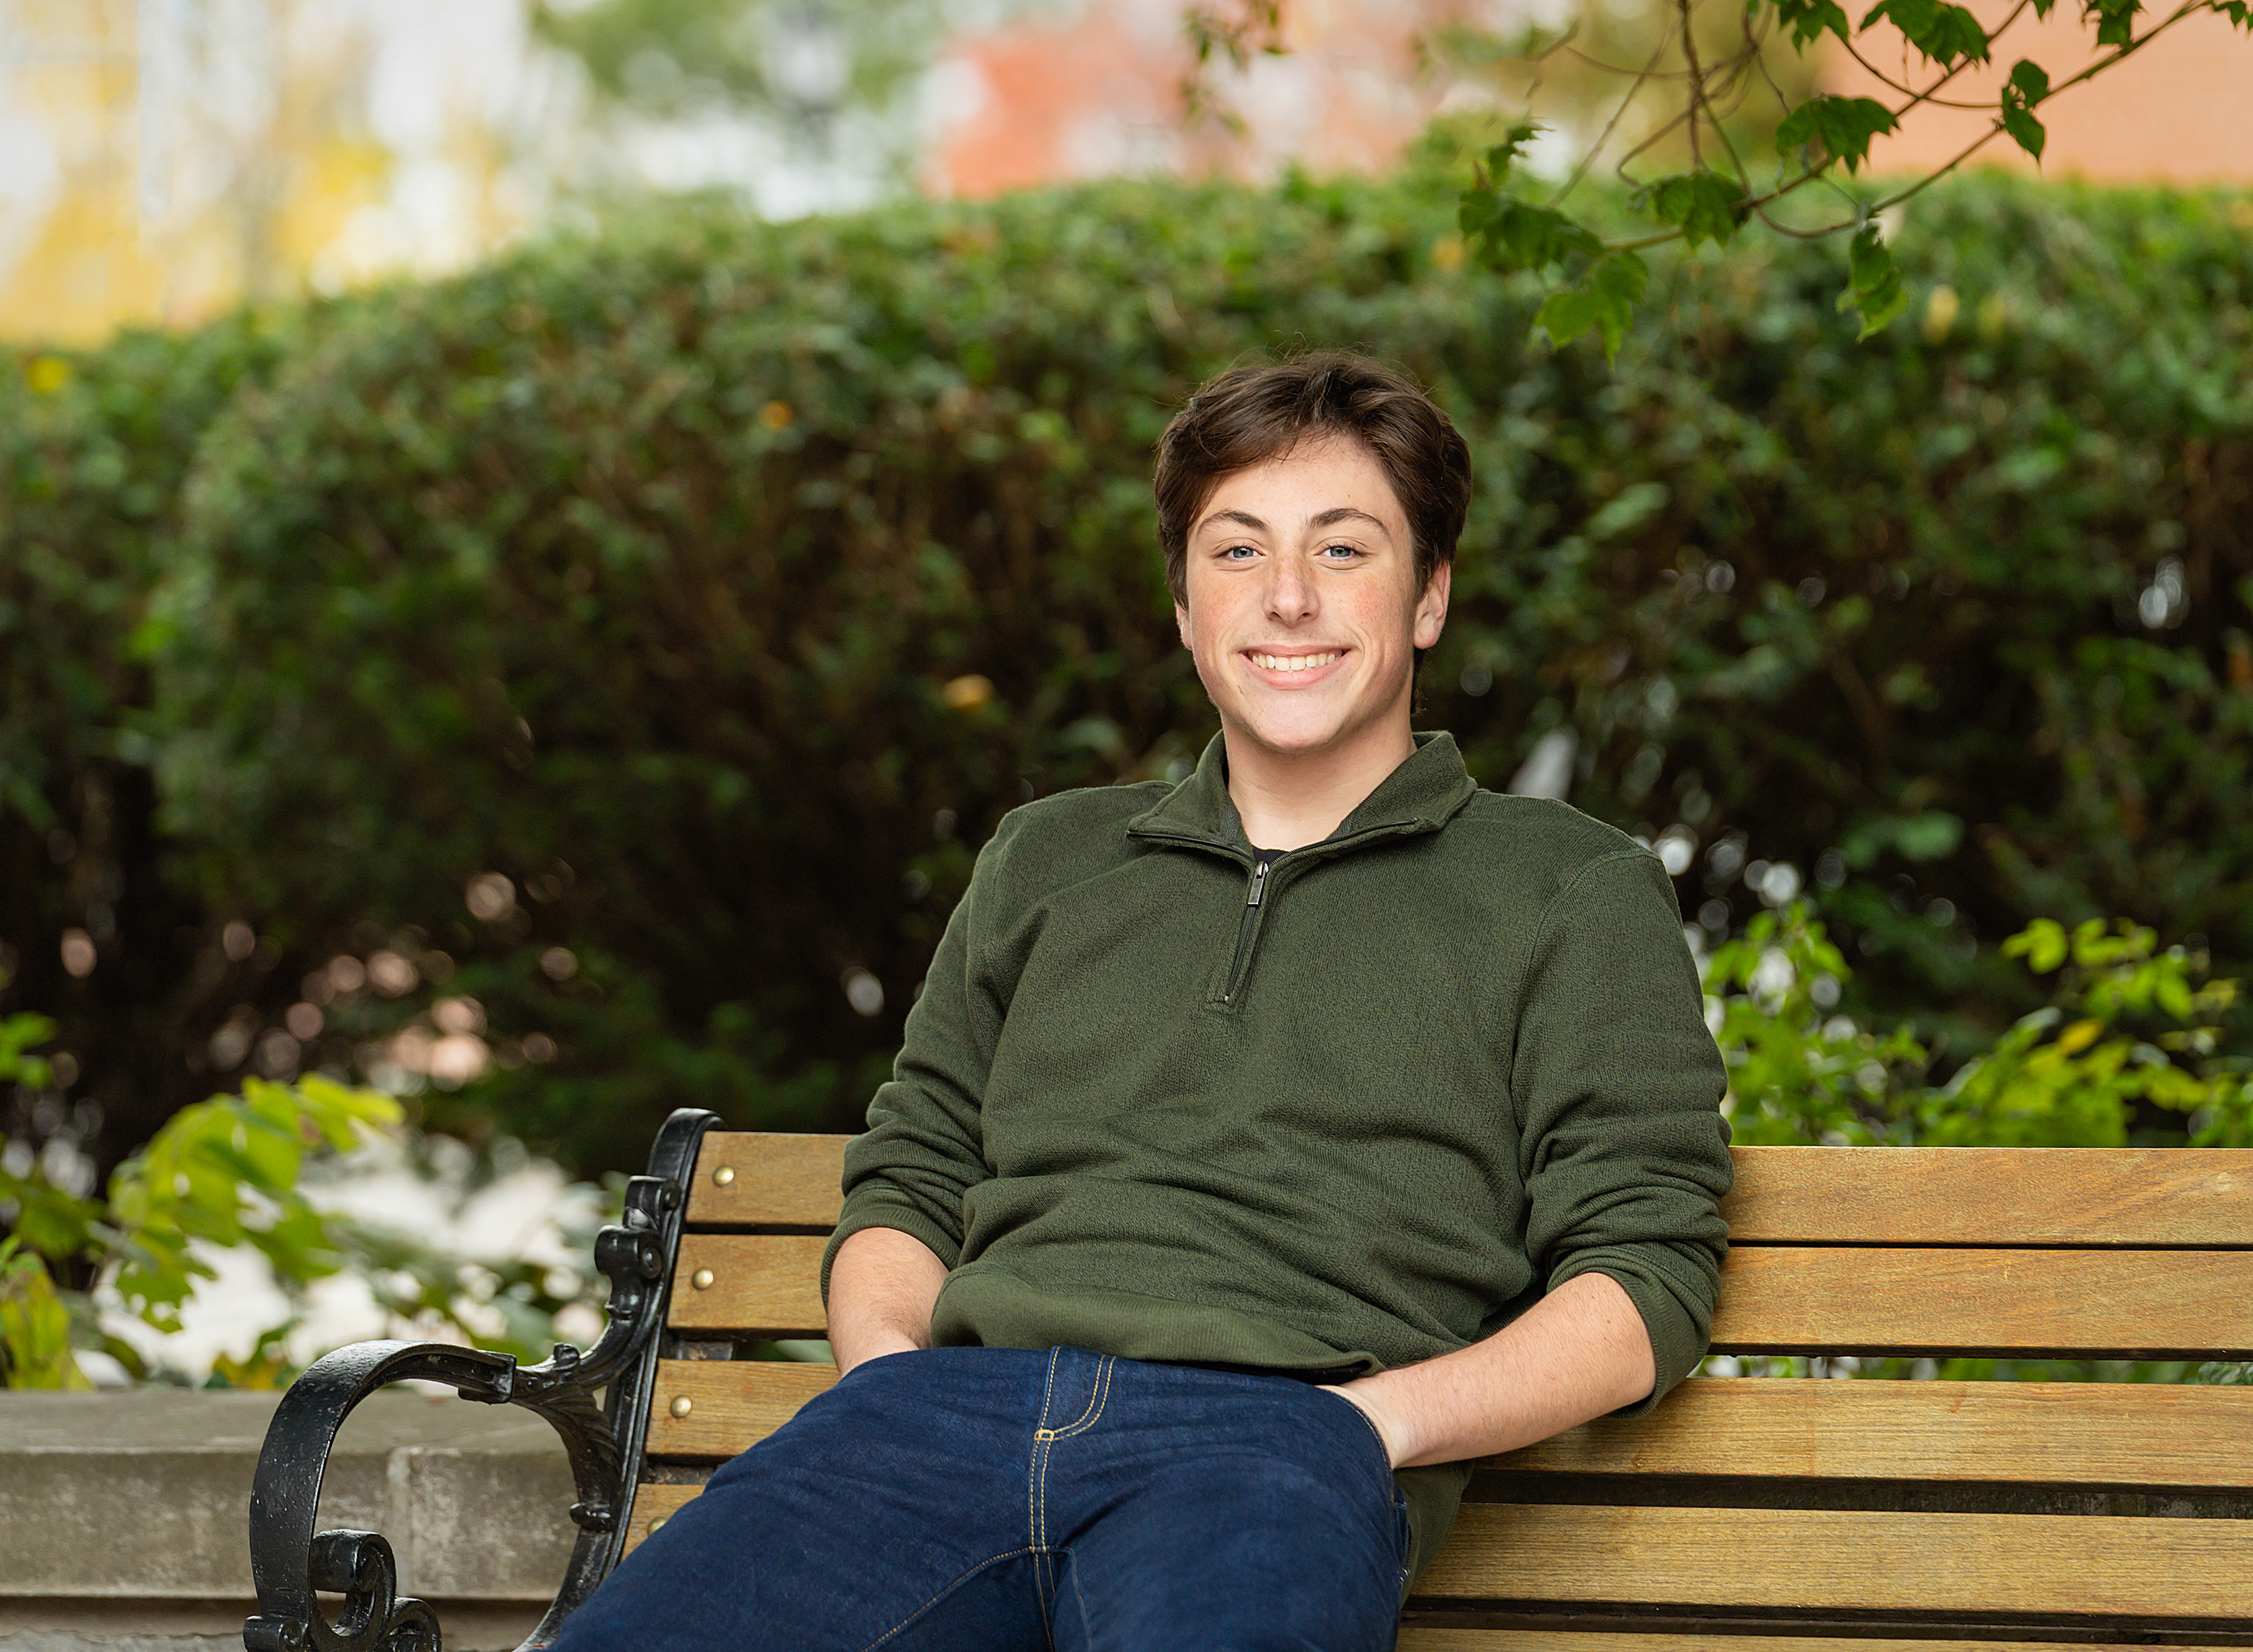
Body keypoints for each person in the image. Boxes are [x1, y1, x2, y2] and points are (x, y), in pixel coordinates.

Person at [553, 350, 1733, 1652]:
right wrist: (889, 1370)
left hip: (1277, 1442)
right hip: (934, 1424)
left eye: (1344, 549)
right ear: (1184, 605)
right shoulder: (1047, 858)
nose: (1288, 597)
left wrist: (1370, 1424)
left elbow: (1645, 1273)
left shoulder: (1568, 887)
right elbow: (915, 1171)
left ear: (1430, 596)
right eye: (1238, 551)